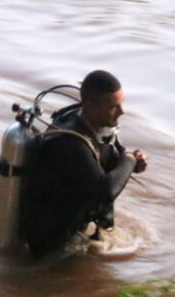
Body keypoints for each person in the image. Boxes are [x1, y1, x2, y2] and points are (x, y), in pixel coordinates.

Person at [20, 70, 149, 257]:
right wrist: (129, 160)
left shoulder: (95, 124)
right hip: (49, 242)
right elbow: (105, 191)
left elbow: (112, 154)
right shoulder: (69, 142)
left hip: (73, 228)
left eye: (121, 104)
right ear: (90, 106)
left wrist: (131, 163)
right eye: (114, 107)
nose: (122, 111)